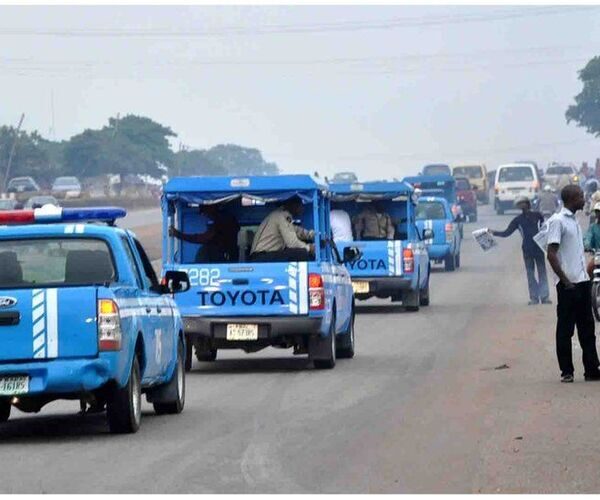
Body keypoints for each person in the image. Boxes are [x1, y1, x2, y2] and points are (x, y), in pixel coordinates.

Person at [546, 184, 600, 383]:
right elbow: (551, 254)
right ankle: (567, 371)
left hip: (583, 282)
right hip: (569, 285)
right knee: (565, 330)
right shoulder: (557, 222)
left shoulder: (575, 222)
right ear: (570, 199)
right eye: (580, 196)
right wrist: (566, 281)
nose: (583, 198)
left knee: (587, 329)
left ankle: (592, 369)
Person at [490, 196, 550, 305]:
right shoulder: (517, 220)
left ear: (528, 204)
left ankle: (544, 297)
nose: (522, 206)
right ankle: (534, 298)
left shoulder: (538, 216)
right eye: (520, 204)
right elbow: (506, 233)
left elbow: (545, 229)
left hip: (539, 248)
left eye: (523, 203)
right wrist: (493, 232)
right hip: (527, 249)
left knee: (541, 272)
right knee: (530, 274)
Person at [250, 196, 315, 262]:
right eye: (300, 205)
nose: (302, 208)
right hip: (261, 257)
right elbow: (292, 243)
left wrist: (312, 235)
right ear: (292, 205)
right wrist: (309, 248)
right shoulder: (282, 216)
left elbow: (297, 231)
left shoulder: (279, 215)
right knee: (301, 253)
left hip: (262, 256)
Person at [169, 205, 240, 263]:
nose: (205, 215)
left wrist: (178, 235)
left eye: (204, 213)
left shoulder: (221, 220)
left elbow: (203, 238)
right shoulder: (226, 217)